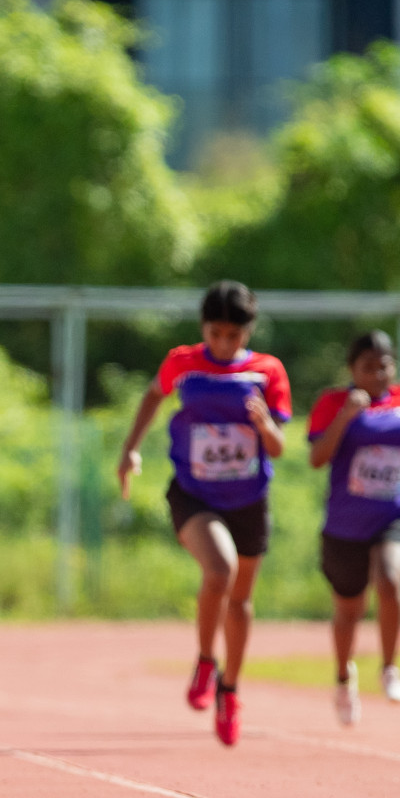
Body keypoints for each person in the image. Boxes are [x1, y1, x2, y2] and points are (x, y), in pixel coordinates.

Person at [118, 280, 291, 747]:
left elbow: (278, 446)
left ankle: (230, 690)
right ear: (204, 329)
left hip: (249, 499)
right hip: (194, 493)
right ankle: (205, 660)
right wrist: (130, 449)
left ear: (247, 333)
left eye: (232, 336)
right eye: (215, 333)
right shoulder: (183, 363)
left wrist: (263, 424)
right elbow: (154, 395)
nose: (222, 343)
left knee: (240, 603)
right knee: (220, 571)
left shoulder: (266, 373)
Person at [307, 330, 400, 724]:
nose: (377, 374)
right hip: (346, 525)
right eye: (367, 366)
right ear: (352, 369)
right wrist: (346, 416)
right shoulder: (332, 403)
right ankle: (343, 678)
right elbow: (317, 458)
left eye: (384, 365)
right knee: (348, 610)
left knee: (390, 577)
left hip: (399, 512)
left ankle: (390, 668)